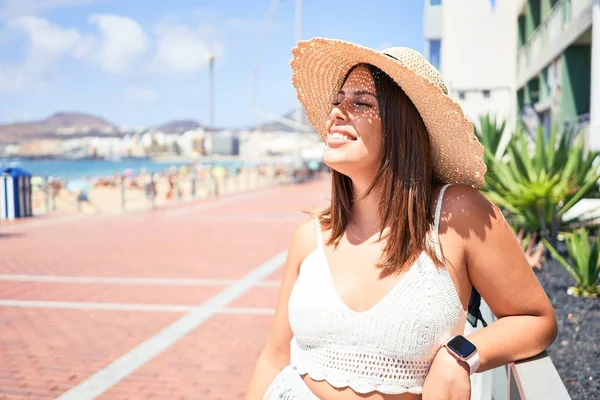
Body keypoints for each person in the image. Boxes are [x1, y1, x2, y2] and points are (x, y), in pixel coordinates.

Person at [245, 38, 557, 399]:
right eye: (337, 101)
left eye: (361, 102)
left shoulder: (457, 215)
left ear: (401, 126)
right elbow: (274, 357)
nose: (337, 112)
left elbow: (536, 319)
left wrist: (461, 355)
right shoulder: (310, 236)